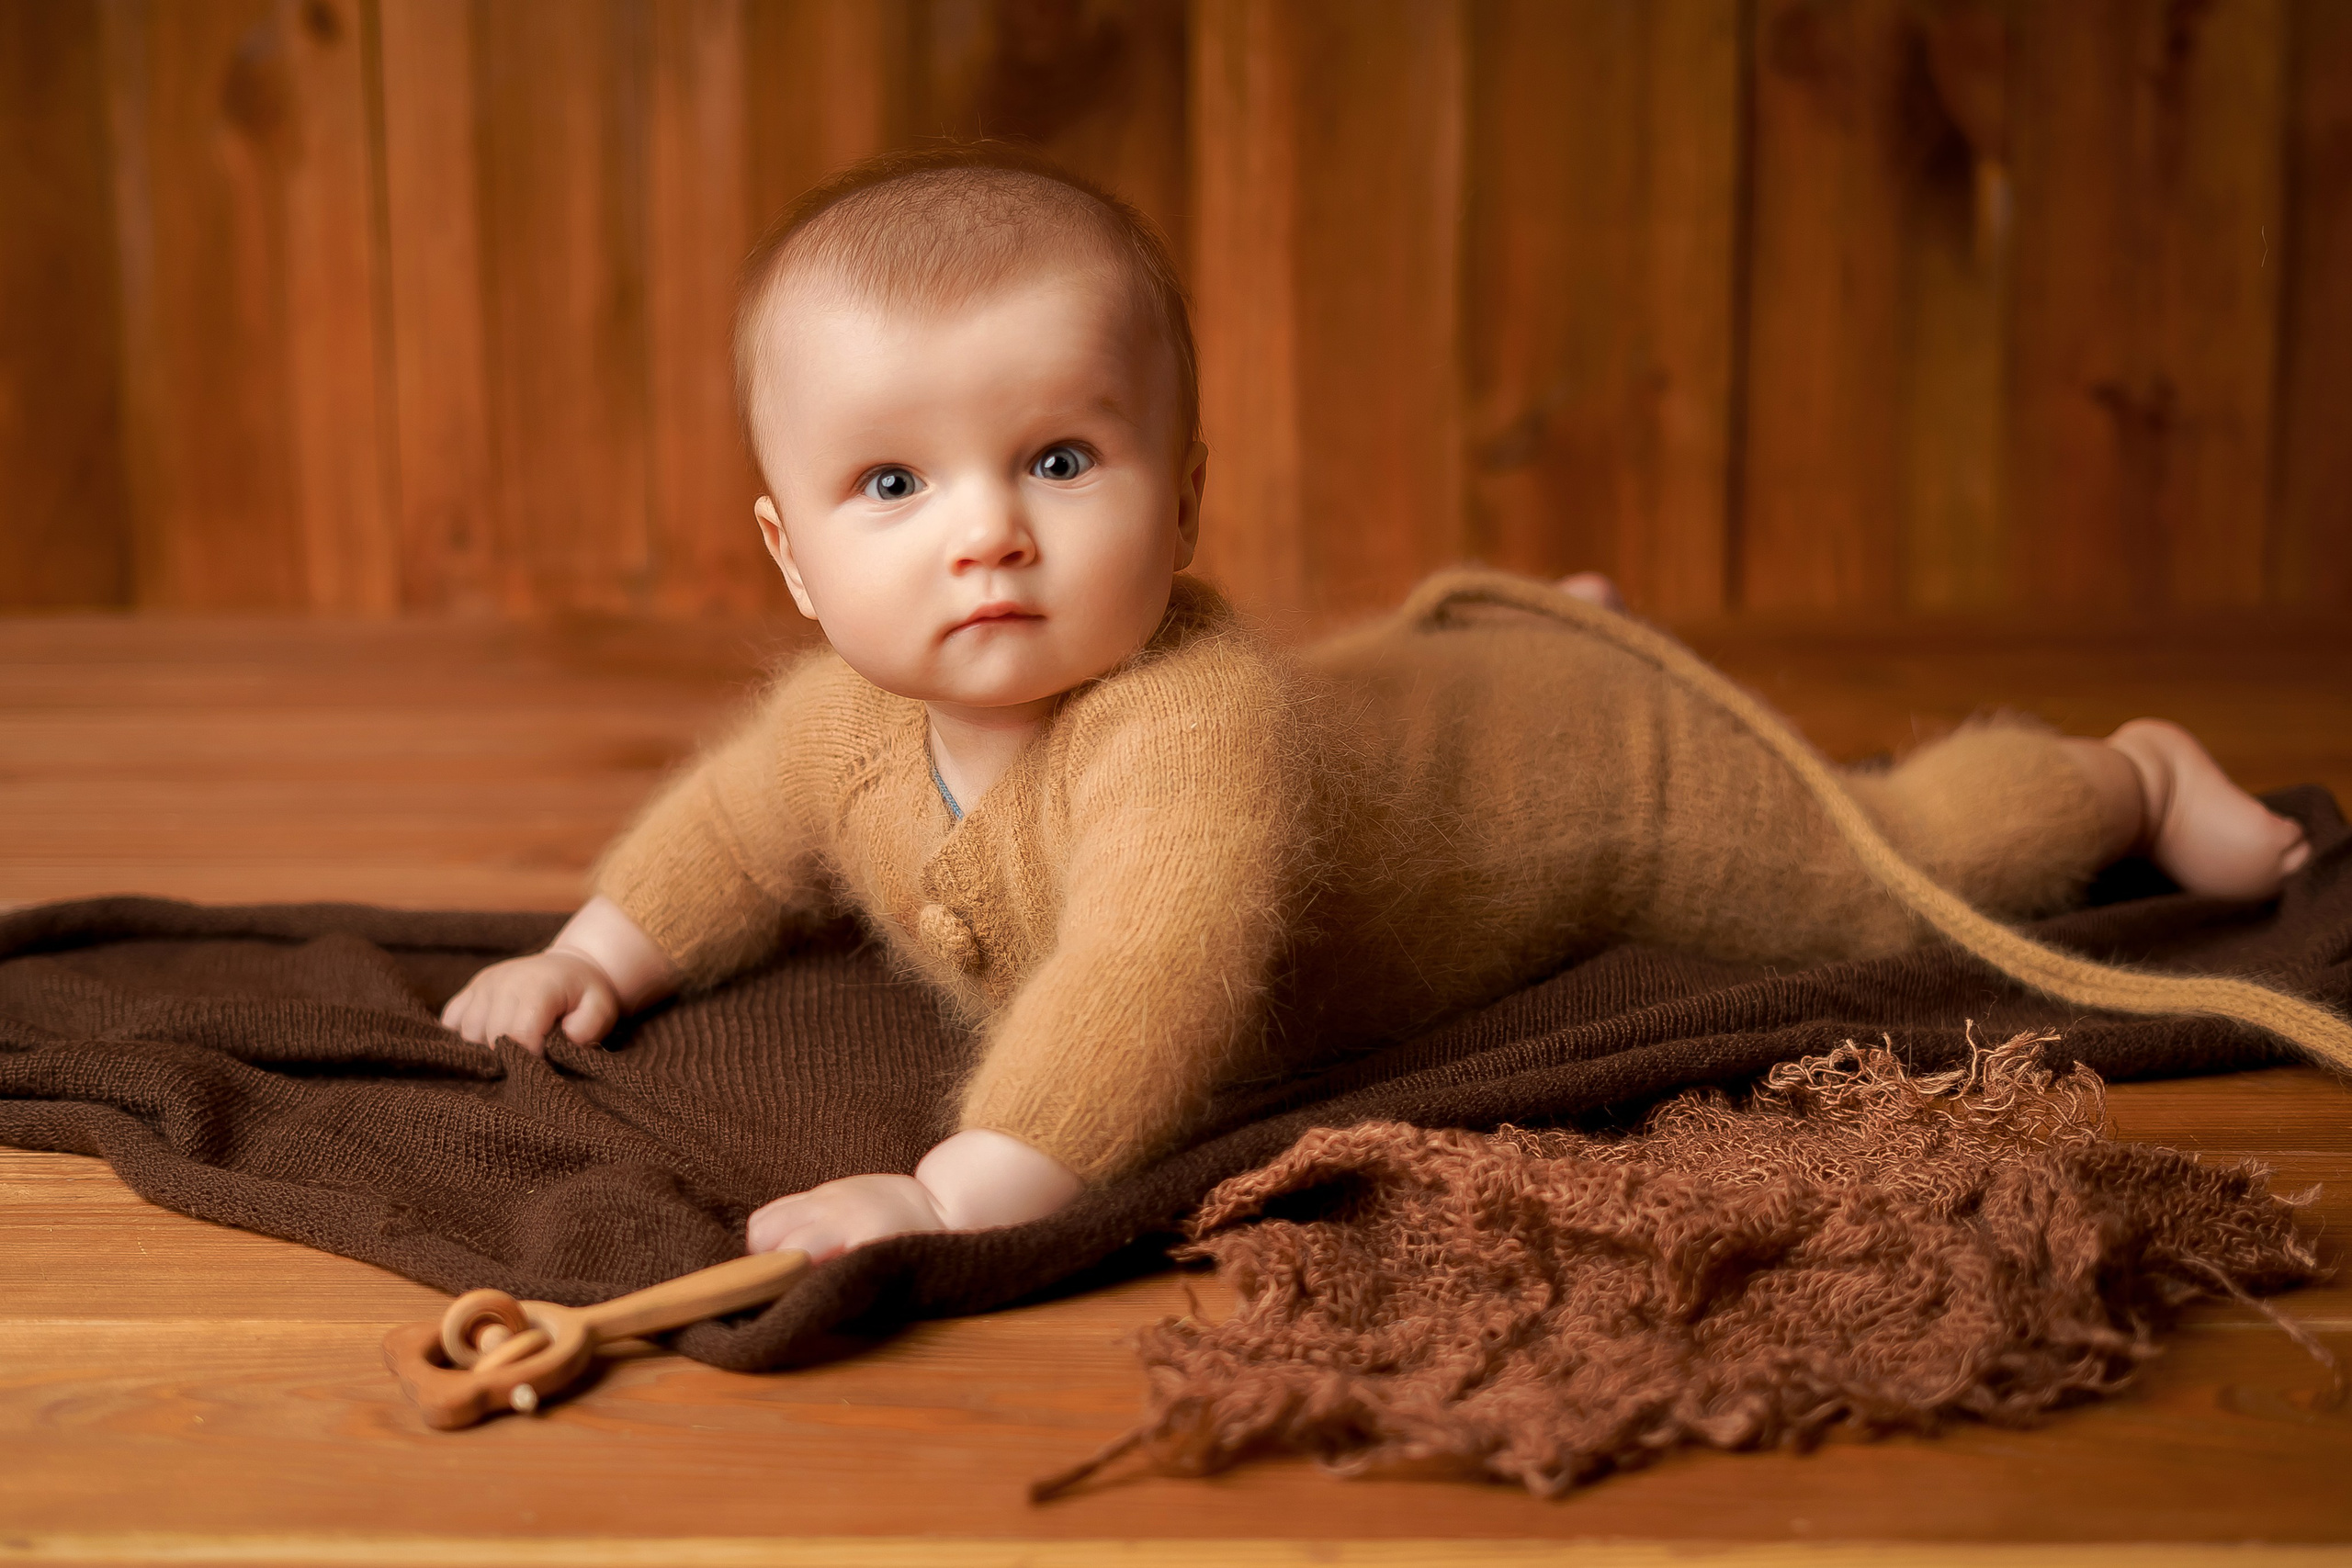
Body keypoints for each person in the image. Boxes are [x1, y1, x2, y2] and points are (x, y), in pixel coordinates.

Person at [440, 146, 2319, 1264]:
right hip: (1434, 710)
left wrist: (961, 1194)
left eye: (1061, 458)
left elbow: (1144, 973)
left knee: (1890, 863)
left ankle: (2119, 777)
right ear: (788, 557)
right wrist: (600, 947)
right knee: (1445, 696)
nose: (985, 537)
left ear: (1183, 499)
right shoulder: (838, 718)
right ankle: (1555, 629)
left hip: (1601, 781)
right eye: (892, 487)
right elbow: (734, 831)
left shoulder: (1193, 734)